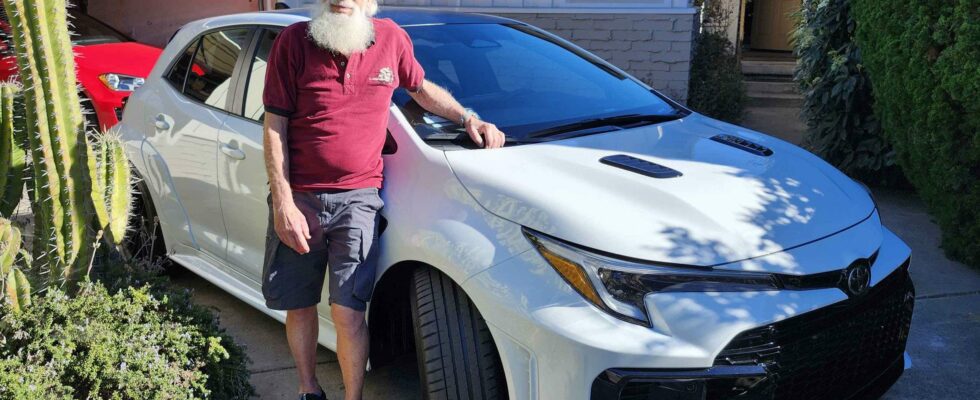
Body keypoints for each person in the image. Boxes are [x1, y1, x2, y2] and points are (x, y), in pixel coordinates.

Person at [261, 1, 506, 399]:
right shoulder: (293, 42)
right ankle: (309, 389)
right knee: (299, 304)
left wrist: (467, 118)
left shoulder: (391, 38)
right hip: (300, 198)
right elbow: (274, 126)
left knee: (349, 312)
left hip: (358, 198)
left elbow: (421, 89)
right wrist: (283, 202)